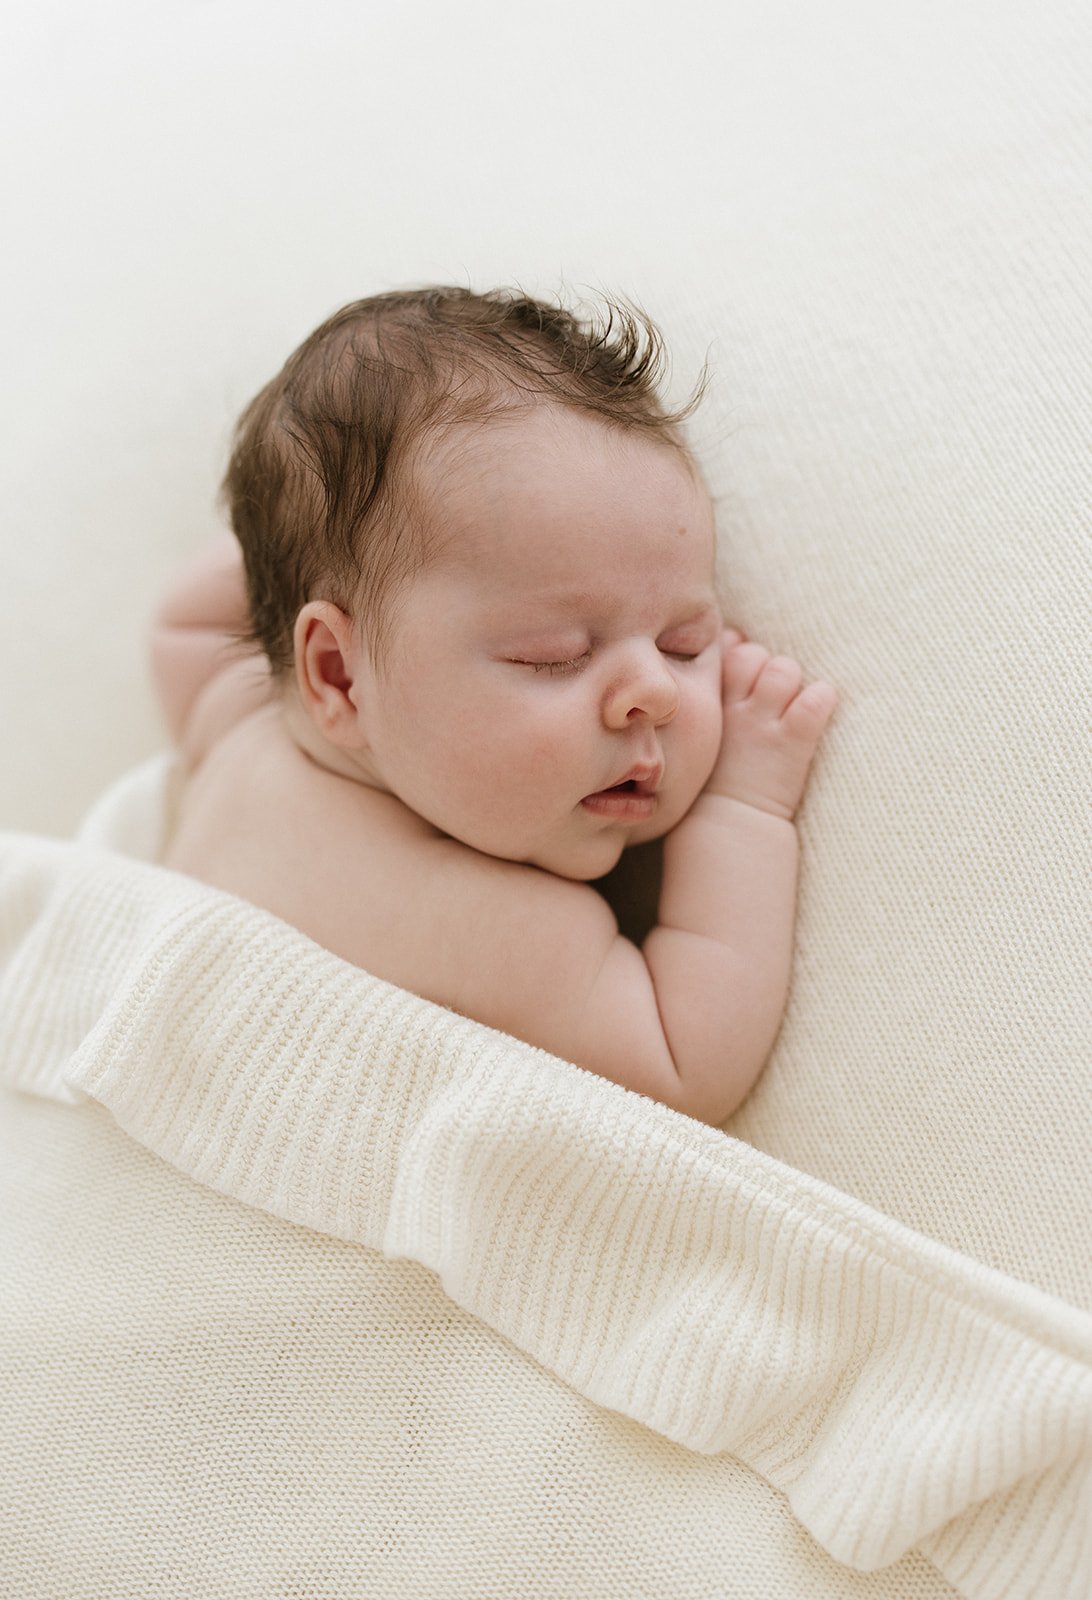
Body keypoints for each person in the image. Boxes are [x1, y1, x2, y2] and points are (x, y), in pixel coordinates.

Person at [152, 286, 837, 1126]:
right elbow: (683, 1063)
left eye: (685, 644)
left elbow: (180, 621)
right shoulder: (487, 928)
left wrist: (317, 541)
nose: (655, 693)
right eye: (556, 656)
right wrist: (744, 806)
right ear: (336, 675)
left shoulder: (234, 728)